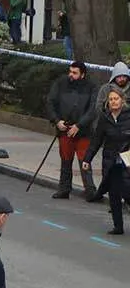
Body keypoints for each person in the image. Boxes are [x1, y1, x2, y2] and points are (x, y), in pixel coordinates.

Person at [45, 61, 97, 200]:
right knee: (66, 160)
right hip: (65, 128)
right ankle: (64, 188)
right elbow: (50, 101)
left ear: (82, 74)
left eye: (75, 73)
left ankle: (90, 190)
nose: (71, 75)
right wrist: (56, 121)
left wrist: (79, 125)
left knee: (84, 161)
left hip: (83, 131)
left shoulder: (91, 87)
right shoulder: (61, 83)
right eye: (70, 71)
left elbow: (92, 110)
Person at [83, 88, 130, 235]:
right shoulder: (105, 118)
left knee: (128, 193)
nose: (113, 102)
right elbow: (96, 140)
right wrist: (87, 159)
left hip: (127, 162)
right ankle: (118, 226)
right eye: (111, 99)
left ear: (122, 100)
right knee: (114, 194)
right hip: (110, 162)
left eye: (116, 99)